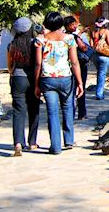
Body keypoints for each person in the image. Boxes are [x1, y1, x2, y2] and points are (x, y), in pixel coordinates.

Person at [33, 11, 84, 155]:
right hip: (65, 78)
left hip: (47, 79)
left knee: (52, 112)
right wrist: (80, 82)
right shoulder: (69, 39)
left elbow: (37, 64)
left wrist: (36, 84)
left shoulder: (40, 40)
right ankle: (68, 140)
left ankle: (55, 146)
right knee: (68, 108)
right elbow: (74, 62)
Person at [6, 17, 41, 156]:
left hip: (18, 78)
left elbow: (9, 66)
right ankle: (32, 142)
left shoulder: (12, 45)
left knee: (18, 111)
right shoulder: (35, 44)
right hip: (33, 78)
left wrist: (13, 72)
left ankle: (18, 143)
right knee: (34, 109)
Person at [64, 15, 92, 119]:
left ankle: (69, 114)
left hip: (67, 67)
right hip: (79, 65)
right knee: (81, 89)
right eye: (73, 24)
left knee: (70, 91)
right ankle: (82, 113)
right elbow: (84, 48)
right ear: (68, 25)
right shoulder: (74, 37)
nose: (75, 26)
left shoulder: (62, 37)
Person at [90, 17, 109, 100]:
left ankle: (98, 93)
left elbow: (91, 45)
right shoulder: (106, 31)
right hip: (104, 55)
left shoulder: (93, 32)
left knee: (99, 73)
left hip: (95, 55)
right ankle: (99, 94)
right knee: (102, 74)